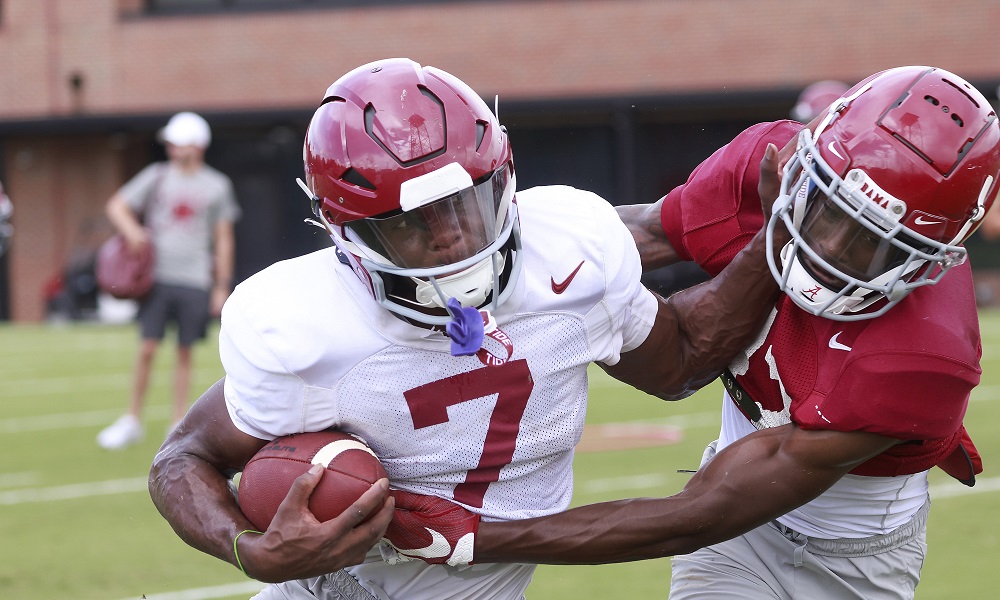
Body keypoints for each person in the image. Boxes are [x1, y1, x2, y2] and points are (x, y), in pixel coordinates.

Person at [148, 58, 788, 600]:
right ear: (348, 235)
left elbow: (678, 362)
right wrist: (249, 551)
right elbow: (183, 459)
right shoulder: (302, 324)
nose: (453, 237)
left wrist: (773, 240)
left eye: (467, 204)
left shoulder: (572, 250)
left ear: (505, 178)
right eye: (413, 223)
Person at [384, 65, 998, 599]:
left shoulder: (922, 359)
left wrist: (476, 537)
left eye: (872, 245)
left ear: (931, 259)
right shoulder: (764, 164)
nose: (826, 248)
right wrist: (476, 257)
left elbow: (699, 514)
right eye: (826, 206)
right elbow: (632, 239)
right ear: (807, 160)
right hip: (734, 508)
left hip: (849, 555)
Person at [97, 111, 241, 450]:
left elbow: (224, 237)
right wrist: (133, 231)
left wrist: (221, 284)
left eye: (179, 143)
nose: (173, 149)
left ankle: (177, 419)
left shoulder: (217, 185)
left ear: (198, 145)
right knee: (147, 347)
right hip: (157, 277)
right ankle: (132, 418)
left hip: (194, 278)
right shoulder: (157, 175)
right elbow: (116, 205)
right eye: (172, 144)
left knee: (185, 351)